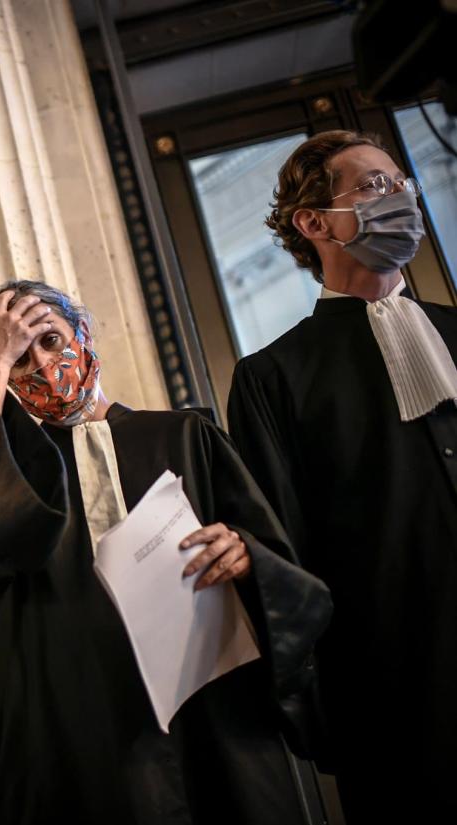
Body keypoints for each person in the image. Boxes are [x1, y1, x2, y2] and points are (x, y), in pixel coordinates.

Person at [0, 281, 332, 824]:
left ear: (83, 334)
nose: (42, 363)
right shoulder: (8, 478)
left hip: (211, 713)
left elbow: (281, 565)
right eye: (21, 356)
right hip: (80, 728)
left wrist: (246, 553)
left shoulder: (185, 436)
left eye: (51, 340)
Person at [227, 129, 457, 823]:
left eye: (404, 186)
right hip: (400, 694)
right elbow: (282, 557)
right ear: (314, 221)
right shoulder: (273, 377)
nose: (402, 201)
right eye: (376, 187)